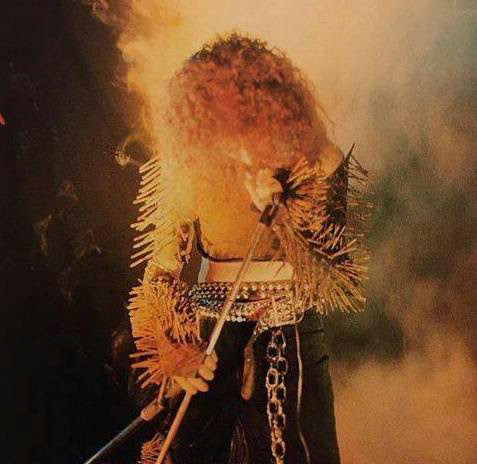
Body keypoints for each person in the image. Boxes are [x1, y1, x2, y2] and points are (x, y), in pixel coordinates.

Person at [128, 34, 371, 464]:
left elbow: (337, 275)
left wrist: (289, 214)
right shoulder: (186, 164)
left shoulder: (318, 158)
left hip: (292, 334)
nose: (233, 142)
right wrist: (172, 347)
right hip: (210, 338)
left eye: (244, 116)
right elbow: (159, 274)